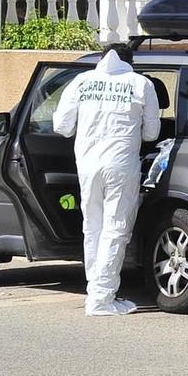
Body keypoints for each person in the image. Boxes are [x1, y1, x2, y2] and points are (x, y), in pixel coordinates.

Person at [54, 44, 159, 316]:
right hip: (121, 165)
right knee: (116, 229)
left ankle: (96, 294)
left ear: (101, 59)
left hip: (87, 166)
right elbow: (152, 133)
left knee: (93, 228)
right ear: (130, 61)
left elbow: (61, 126)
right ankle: (102, 298)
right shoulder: (141, 84)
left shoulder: (81, 81)